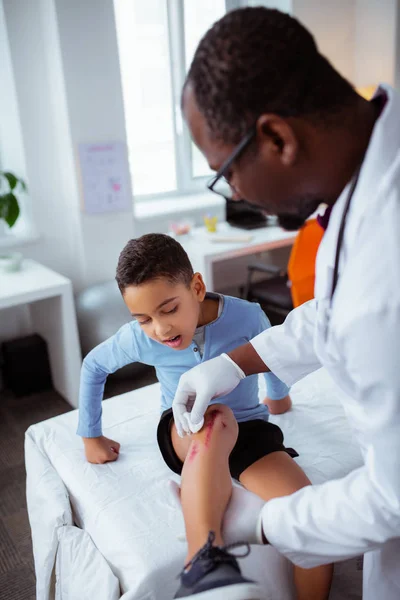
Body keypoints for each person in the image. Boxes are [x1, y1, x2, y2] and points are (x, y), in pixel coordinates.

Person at [172, 6, 400, 600]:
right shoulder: (362, 185)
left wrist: (260, 522)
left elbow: (393, 496)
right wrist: (232, 363)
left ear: (277, 137)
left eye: (225, 173)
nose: (235, 193)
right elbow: (330, 315)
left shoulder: (388, 266)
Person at [77, 233, 333, 600]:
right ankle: (202, 561)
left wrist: (278, 398)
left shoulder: (248, 316)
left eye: (168, 310)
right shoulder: (140, 338)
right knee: (217, 415)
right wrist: (91, 435)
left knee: (313, 524)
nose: (160, 329)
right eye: (144, 319)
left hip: (249, 432)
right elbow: (94, 365)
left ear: (197, 286)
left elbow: (273, 359)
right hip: (186, 428)